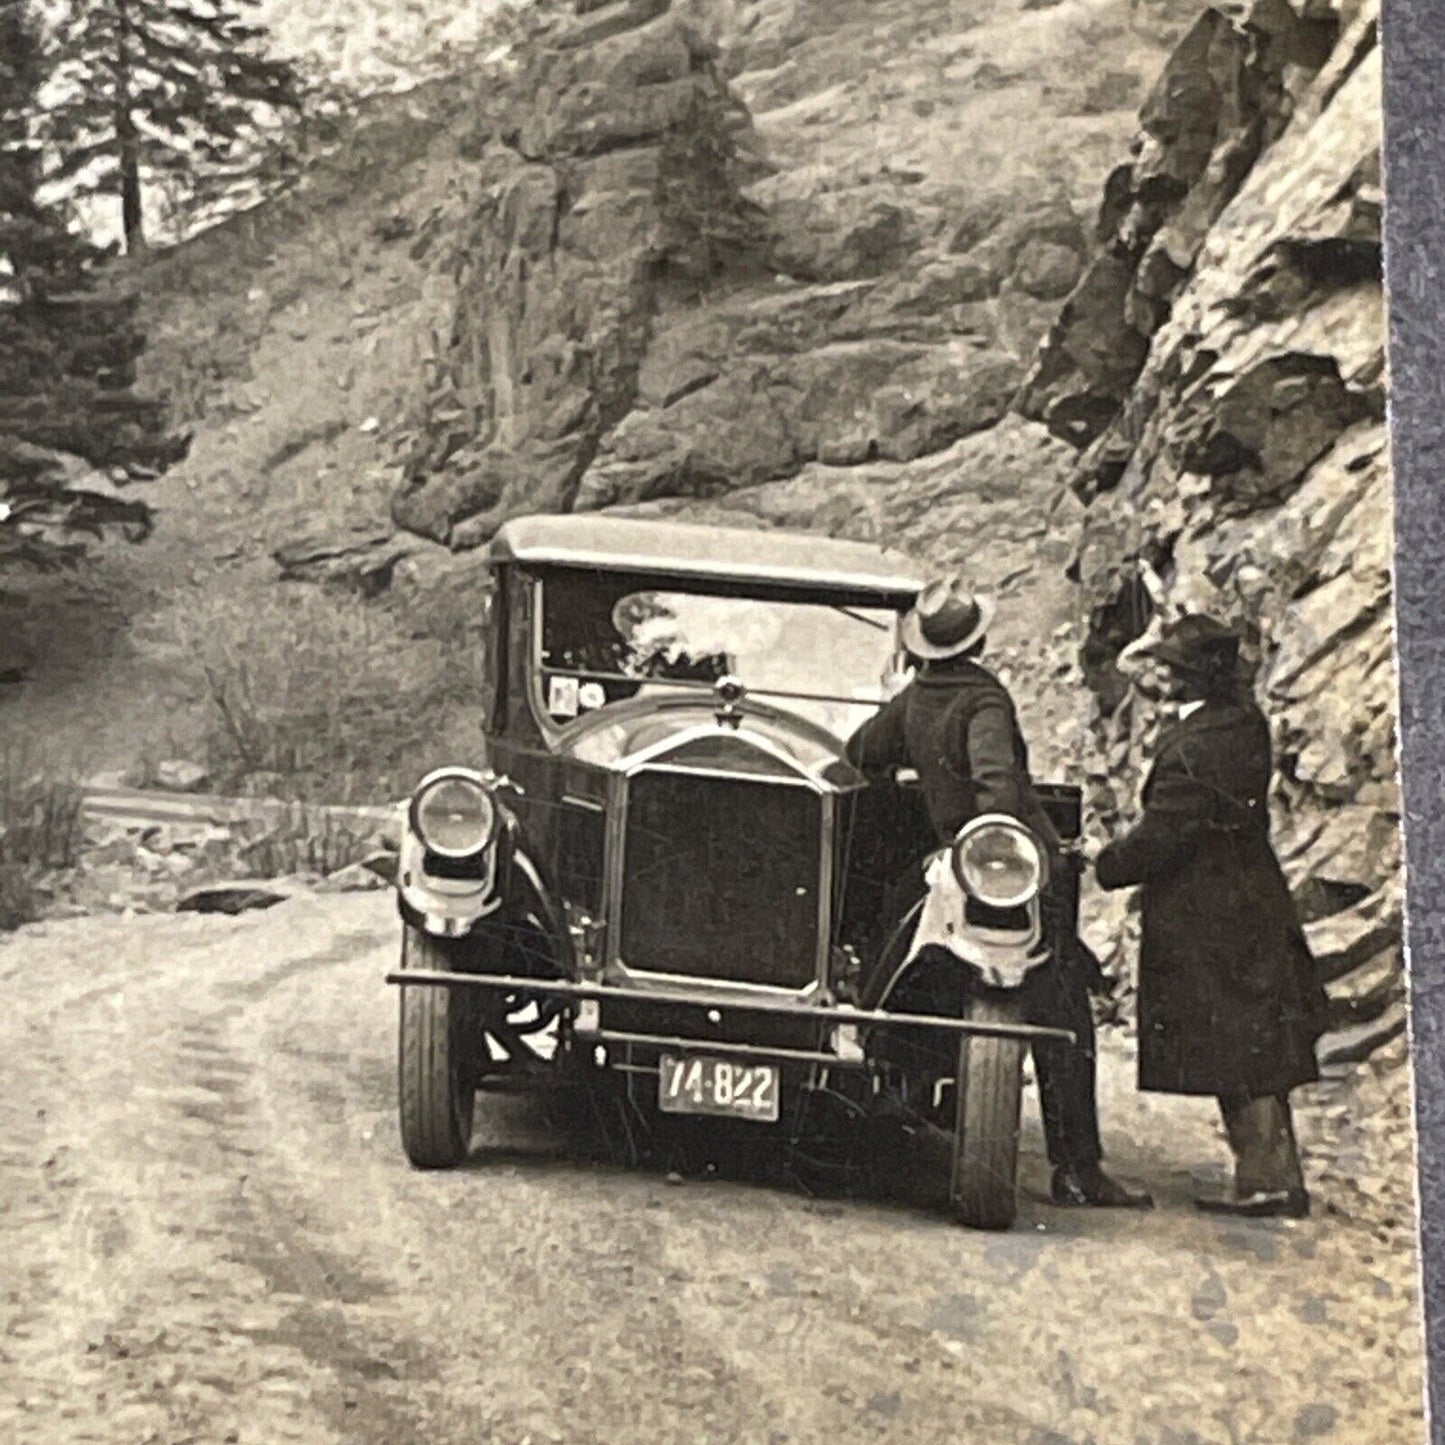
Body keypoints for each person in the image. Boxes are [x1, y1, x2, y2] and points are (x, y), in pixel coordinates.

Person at [846, 573, 1152, 1209]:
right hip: (1000, 865)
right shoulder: (983, 698)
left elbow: (861, 750)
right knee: (1064, 1003)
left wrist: (915, 780)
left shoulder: (918, 696)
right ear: (977, 643)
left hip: (946, 859)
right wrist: (1009, 845)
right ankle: (1077, 1170)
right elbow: (998, 785)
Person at [1093, 614, 1330, 1218]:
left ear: (1197, 678)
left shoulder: (1199, 746)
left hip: (1213, 914)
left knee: (1241, 1043)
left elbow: (1165, 833)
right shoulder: (1239, 722)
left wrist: (1103, 863)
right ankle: (1272, 1176)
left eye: (1172, 669)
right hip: (1246, 898)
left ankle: (1269, 1184)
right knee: (1254, 1040)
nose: (1160, 676)